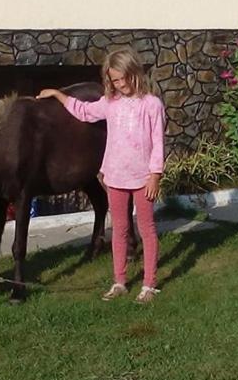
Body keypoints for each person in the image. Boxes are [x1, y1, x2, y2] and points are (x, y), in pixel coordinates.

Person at [36, 47, 165, 304]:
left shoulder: (152, 105)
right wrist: (58, 95)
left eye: (123, 78)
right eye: (114, 80)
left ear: (134, 72)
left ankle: (149, 284)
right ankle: (119, 281)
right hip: (115, 177)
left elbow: (158, 142)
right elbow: (84, 111)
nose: (120, 84)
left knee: (147, 229)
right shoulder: (110, 103)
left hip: (142, 179)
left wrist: (155, 174)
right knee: (119, 229)